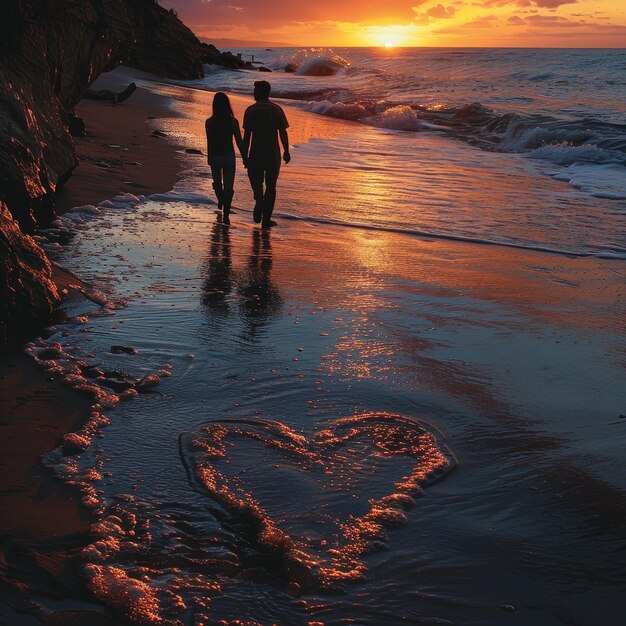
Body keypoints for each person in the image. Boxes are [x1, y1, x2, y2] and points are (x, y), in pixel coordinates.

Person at [242, 81, 290, 229]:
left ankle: (259, 200)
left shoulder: (250, 110)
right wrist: (286, 151)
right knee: (271, 187)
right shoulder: (276, 109)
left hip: (256, 153)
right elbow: (283, 132)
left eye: (255, 90)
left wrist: (245, 156)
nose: (253, 93)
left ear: (263, 92)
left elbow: (247, 137)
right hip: (272, 154)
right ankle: (266, 219)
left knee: (257, 183)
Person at [205, 92, 246, 225]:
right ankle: (226, 215)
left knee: (217, 184)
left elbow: (209, 142)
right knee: (229, 187)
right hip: (229, 157)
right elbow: (239, 142)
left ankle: (221, 200)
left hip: (215, 156)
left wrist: (209, 158)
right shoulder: (233, 122)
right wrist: (245, 157)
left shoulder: (209, 122)